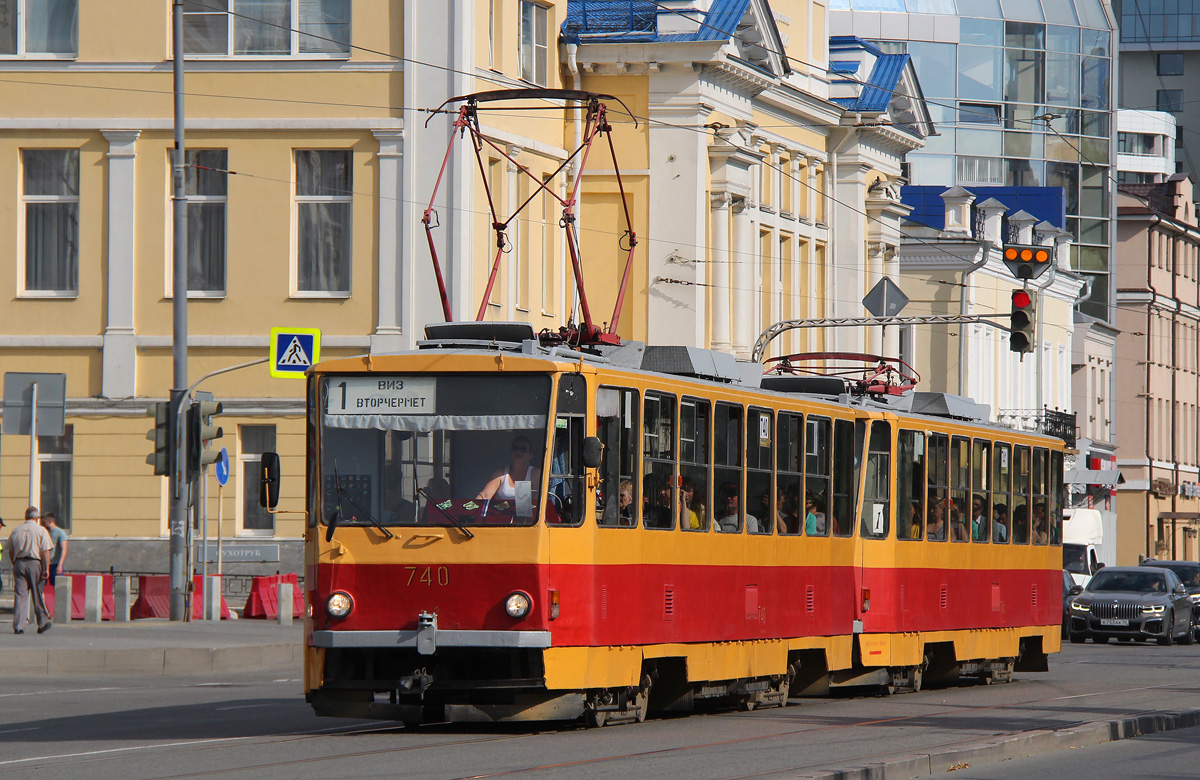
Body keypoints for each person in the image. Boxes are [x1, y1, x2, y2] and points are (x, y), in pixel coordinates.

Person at [8, 506, 53, 635]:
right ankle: (42, 623)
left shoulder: (16, 530)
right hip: (35, 563)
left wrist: (15, 563)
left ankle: (18, 626)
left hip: (19, 562)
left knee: (20, 595)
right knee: (37, 594)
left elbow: (10, 550)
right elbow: (45, 552)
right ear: (36, 518)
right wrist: (46, 568)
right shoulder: (41, 530)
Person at [477, 435, 541, 501]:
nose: (518, 452)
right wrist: (476, 501)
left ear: (530, 455)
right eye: (515, 448)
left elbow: (537, 501)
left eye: (524, 449)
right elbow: (485, 494)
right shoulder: (500, 473)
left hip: (527, 508)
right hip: (501, 508)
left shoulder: (536, 474)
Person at [41, 512, 68, 587]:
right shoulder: (44, 532)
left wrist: (60, 564)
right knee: (41, 586)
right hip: (44, 564)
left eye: (44, 522)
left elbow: (64, 549)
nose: (42, 524)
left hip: (55, 564)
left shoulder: (60, 532)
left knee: (58, 586)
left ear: (50, 521)